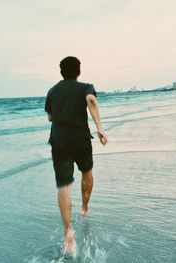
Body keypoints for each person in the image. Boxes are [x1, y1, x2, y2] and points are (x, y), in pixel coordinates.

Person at [45, 56, 107, 254]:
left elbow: (50, 117)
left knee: (64, 184)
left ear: (61, 72)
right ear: (78, 71)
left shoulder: (52, 91)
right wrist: (100, 128)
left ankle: (68, 231)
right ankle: (85, 207)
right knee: (87, 171)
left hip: (59, 140)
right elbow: (91, 100)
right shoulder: (85, 88)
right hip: (80, 139)